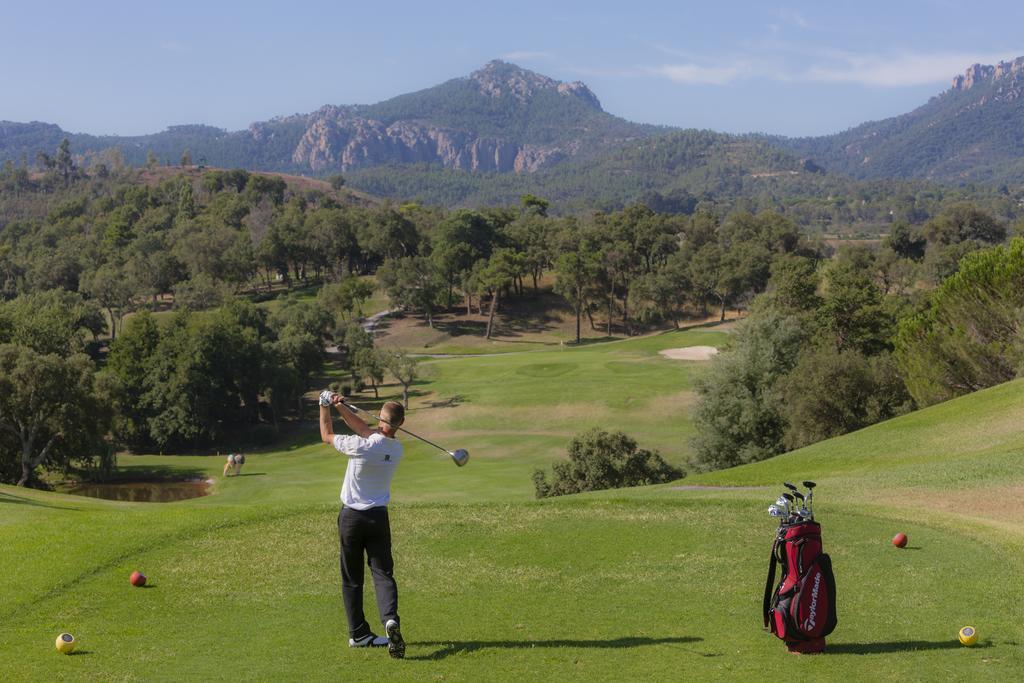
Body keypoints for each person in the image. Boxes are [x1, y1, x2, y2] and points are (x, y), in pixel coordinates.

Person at [319, 390, 406, 659]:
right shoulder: (397, 448)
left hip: (352, 520)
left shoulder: (361, 446)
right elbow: (364, 428)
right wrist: (341, 406)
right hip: (378, 519)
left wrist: (325, 405)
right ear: (399, 425)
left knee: (352, 578)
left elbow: (327, 436)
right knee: (383, 574)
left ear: (381, 419)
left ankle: (358, 633)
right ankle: (390, 620)